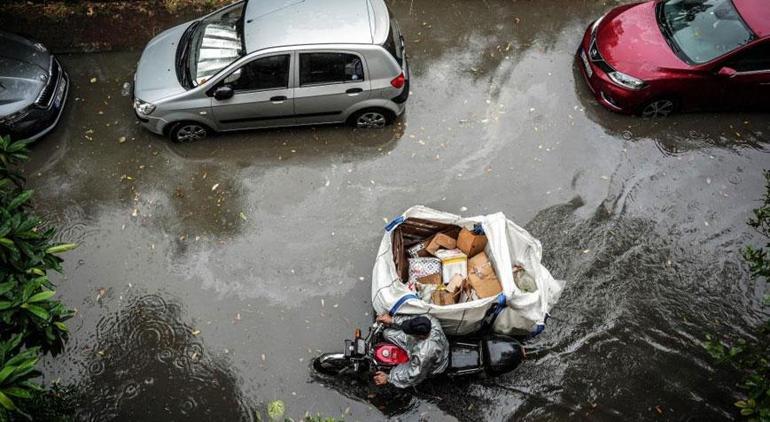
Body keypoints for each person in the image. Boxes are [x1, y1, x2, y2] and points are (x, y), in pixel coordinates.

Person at [372, 313, 449, 388]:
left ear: (420, 336)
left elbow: (413, 375)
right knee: (387, 333)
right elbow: (411, 320)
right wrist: (392, 320)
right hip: (414, 343)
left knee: (395, 371)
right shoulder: (429, 319)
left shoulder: (424, 354)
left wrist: (389, 378)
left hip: (426, 361)